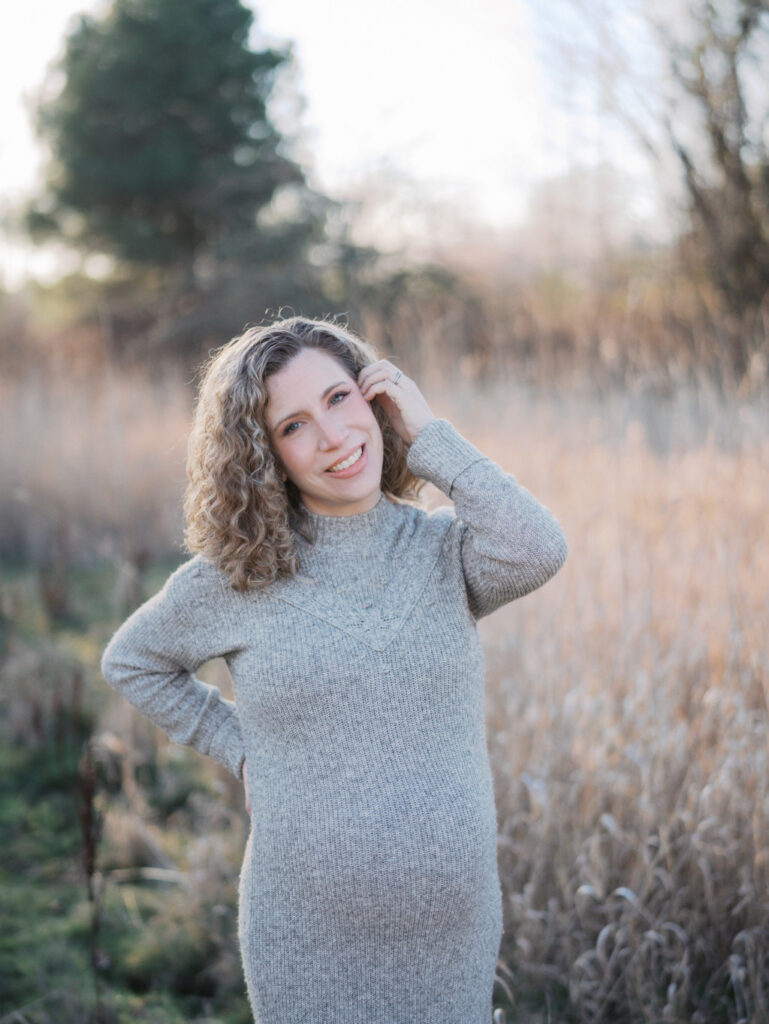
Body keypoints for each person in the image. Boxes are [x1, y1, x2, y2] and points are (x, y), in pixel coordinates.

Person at [100, 315, 568, 1024]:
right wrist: (240, 747)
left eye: (340, 398)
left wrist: (429, 435)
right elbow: (134, 662)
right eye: (293, 426)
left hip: (453, 940)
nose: (332, 437)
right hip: (307, 943)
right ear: (263, 454)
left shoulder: (443, 552)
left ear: (375, 399)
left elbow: (538, 548)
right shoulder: (239, 576)